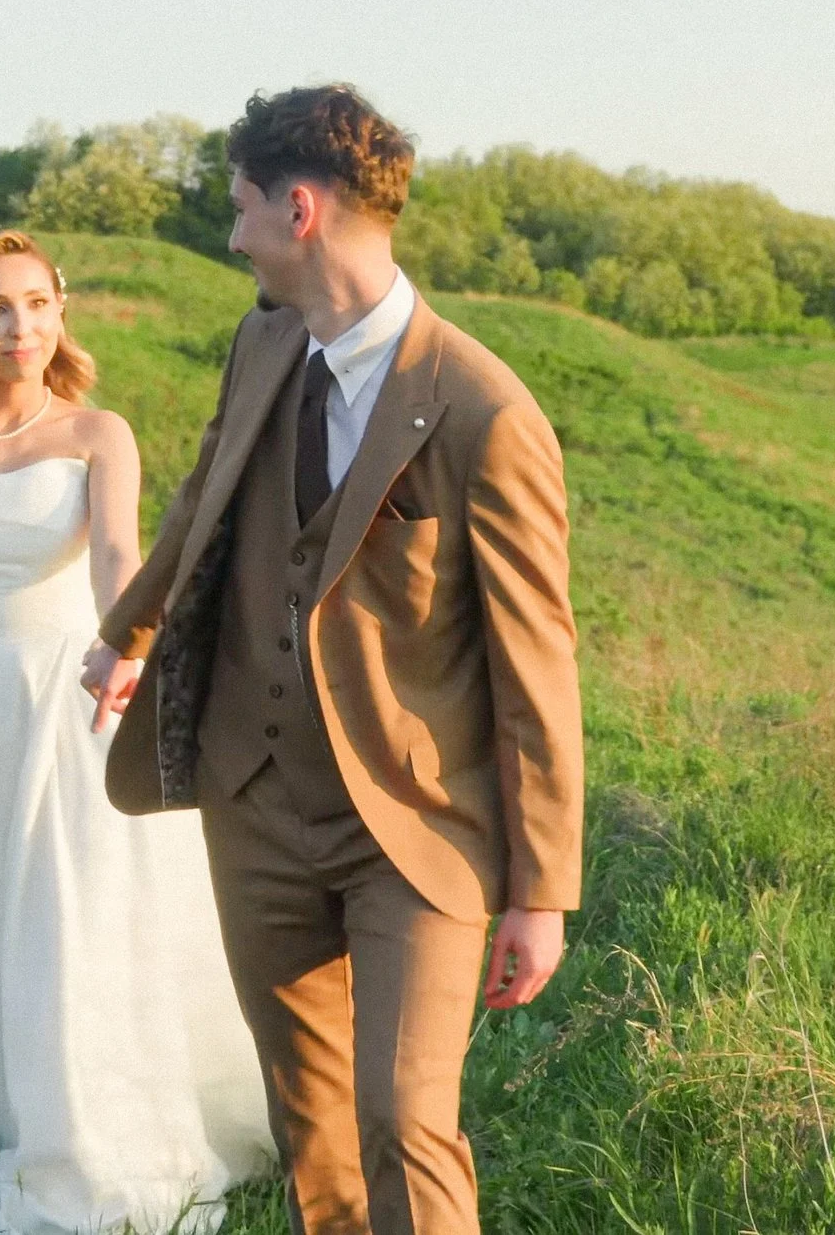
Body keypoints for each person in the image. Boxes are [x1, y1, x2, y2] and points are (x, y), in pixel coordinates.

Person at [80, 86, 584, 1234]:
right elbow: (206, 494)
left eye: (241, 207)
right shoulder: (262, 343)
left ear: (298, 209)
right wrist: (128, 631)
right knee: (310, 1125)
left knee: (403, 1117)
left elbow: (537, 666)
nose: (233, 235)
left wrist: (540, 892)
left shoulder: (483, 411)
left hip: (413, 820)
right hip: (252, 797)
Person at [0, 228, 273, 1235]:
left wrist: (129, 655)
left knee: (67, 927)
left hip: (72, 703)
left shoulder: (98, 433)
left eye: (39, 303)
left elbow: (119, 561)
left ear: (61, 309)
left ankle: (80, 1120)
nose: (21, 328)